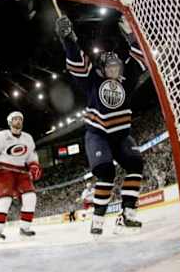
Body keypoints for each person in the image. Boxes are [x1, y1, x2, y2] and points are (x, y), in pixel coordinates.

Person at [55, 15, 146, 236]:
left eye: (117, 66)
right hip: (99, 135)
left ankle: (128, 215)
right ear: (103, 69)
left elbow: (141, 58)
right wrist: (68, 39)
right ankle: (97, 219)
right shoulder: (93, 81)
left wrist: (132, 35)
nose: (115, 70)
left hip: (122, 135)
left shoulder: (128, 79)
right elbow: (77, 62)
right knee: (106, 172)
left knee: (136, 165)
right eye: (110, 67)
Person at [0, 111, 43, 240]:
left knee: (31, 197)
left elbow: (32, 156)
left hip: (22, 171)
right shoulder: (1, 136)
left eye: (20, 119)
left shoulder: (28, 138)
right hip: (3, 171)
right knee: (5, 200)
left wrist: (34, 165)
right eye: (15, 119)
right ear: (10, 122)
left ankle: (25, 228)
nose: (18, 121)